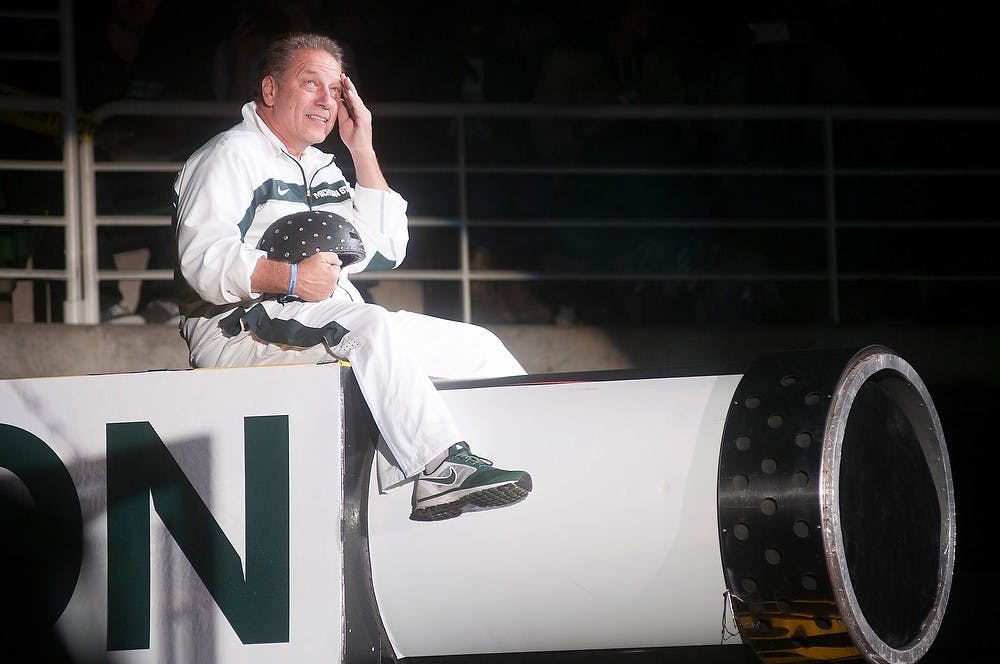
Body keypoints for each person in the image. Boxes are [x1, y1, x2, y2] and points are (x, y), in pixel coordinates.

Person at [172, 32, 532, 521]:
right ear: (270, 90)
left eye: (336, 89)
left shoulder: (321, 165)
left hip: (319, 318)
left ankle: (531, 453)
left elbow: (385, 248)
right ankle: (439, 472)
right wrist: (294, 278)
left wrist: (361, 149)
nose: (327, 99)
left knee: (478, 347)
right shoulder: (229, 155)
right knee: (370, 326)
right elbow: (202, 261)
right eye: (310, 83)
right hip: (237, 329)